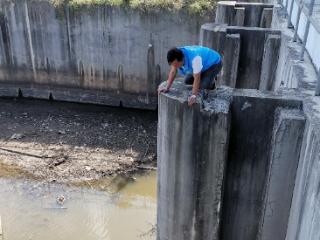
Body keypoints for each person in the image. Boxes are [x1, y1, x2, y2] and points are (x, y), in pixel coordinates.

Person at [158, 46, 222, 106]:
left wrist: (193, 96)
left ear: (181, 60)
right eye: (173, 65)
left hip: (214, 63)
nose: (175, 67)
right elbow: (173, 71)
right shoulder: (176, 54)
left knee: (202, 86)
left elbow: (197, 78)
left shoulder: (195, 59)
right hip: (202, 64)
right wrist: (167, 87)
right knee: (187, 81)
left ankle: (212, 81)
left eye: (176, 65)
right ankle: (204, 75)